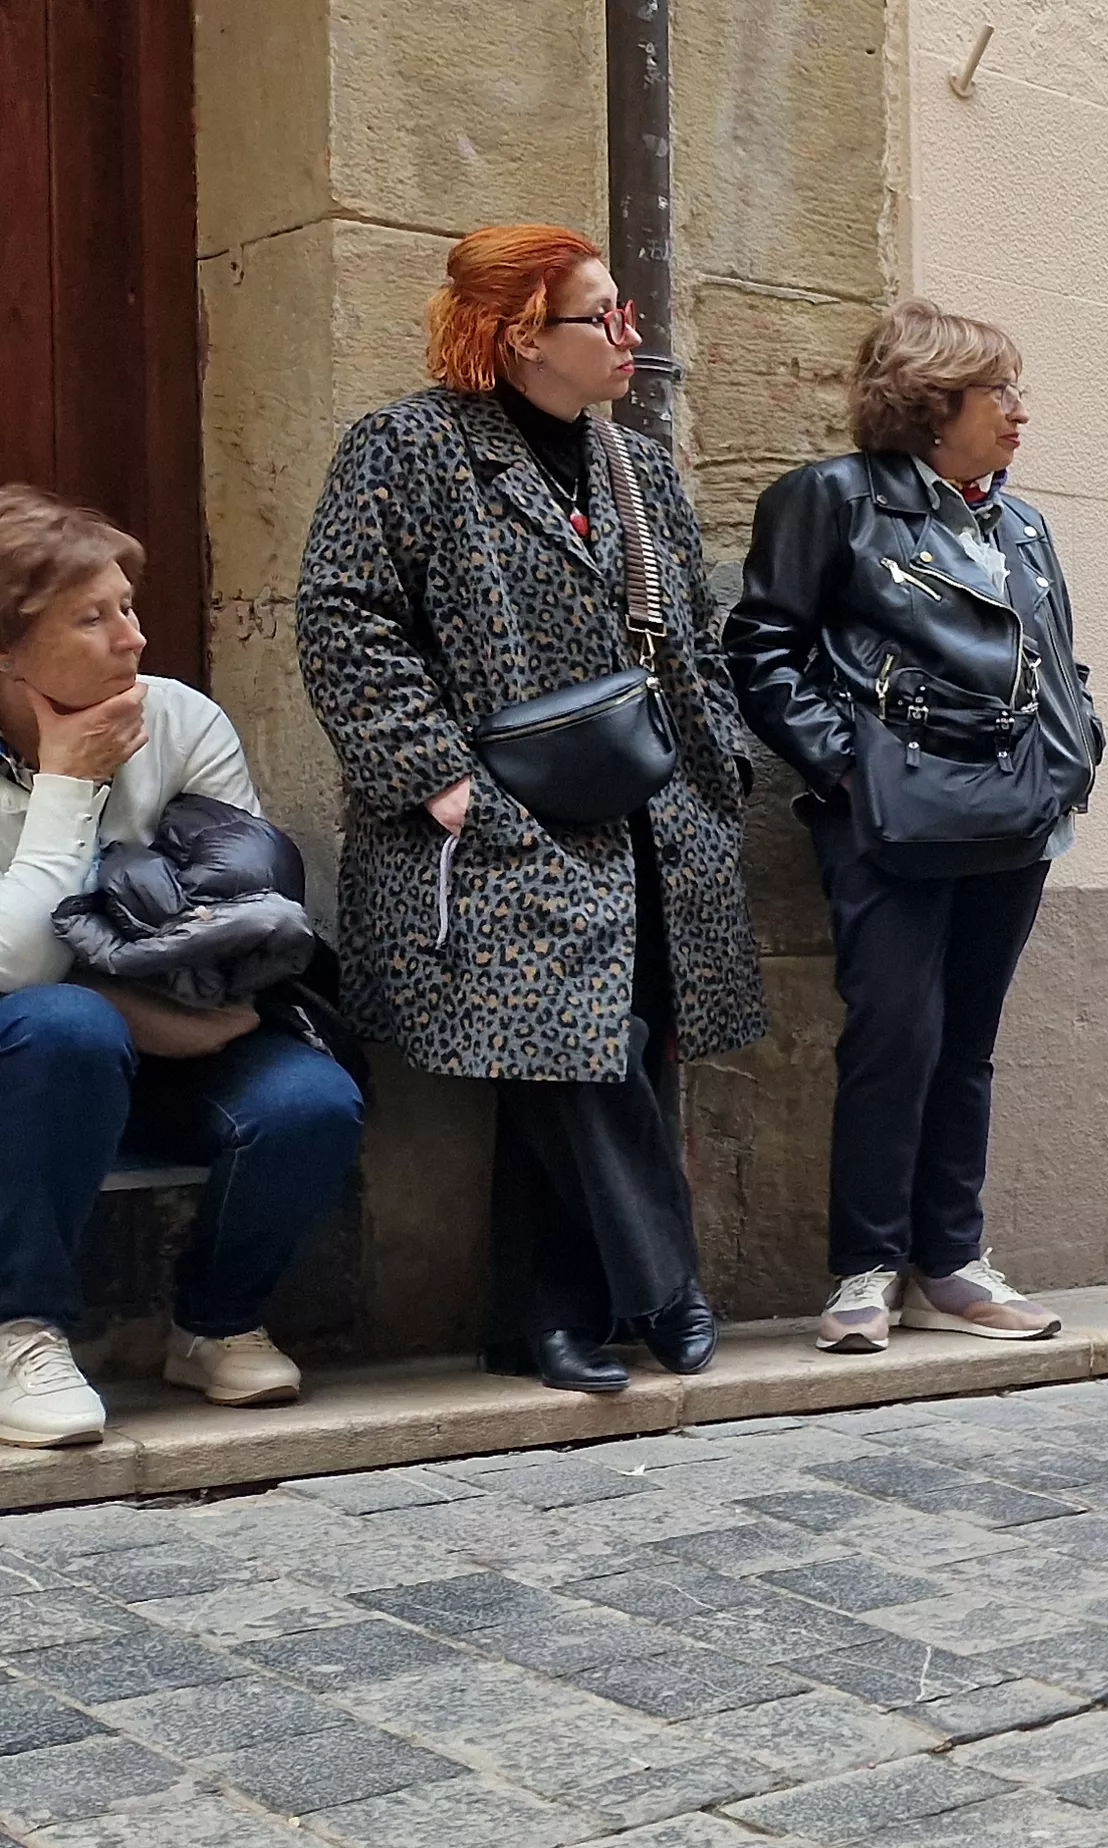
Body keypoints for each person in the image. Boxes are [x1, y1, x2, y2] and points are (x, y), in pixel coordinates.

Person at [295, 225, 768, 1394]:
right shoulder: (409, 448)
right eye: (602, 315)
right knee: (567, 1045)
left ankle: (541, 1324)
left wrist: (716, 760)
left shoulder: (634, 463)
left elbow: (695, 632)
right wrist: (437, 777)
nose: (629, 333)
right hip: (493, 819)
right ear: (520, 336)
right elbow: (344, 621)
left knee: (599, 1045)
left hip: (649, 815)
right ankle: (663, 1282)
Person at [729, 301, 1102, 1354]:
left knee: (967, 1044)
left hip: (1017, 814)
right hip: (890, 821)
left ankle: (952, 1263)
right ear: (933, 404)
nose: (1019, 411)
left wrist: (1077, 752)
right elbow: (761, 646)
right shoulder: (831, 499)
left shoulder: (1021, 525)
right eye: (998, 391)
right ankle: (866, 1267)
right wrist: (849, 769)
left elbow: (1057, 659)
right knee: (894, 1035)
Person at [0, 489, 362, 1443]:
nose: (133, 639)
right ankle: (20, 1331)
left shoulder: (178, 719)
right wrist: (68, 783)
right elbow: (15, 968)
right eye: (92, 618)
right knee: (65, 1026)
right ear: (6, 651)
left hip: (180, 1028)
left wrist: (152, 1002)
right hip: (34, 1057)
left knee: (310, 1100)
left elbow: (239, 930)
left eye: (126, 606)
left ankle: (213, 1324)